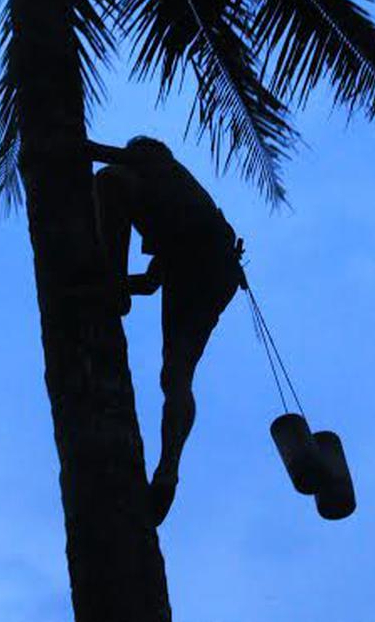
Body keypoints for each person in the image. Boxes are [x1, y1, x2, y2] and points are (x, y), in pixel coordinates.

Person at [87, 135, 245, 526]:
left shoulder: (154, 160)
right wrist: (121, 288)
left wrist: (63, 143)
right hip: (201, 268)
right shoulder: (173, 203)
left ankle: (169, 467)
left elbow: (107, 159)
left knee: (107, 179)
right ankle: (168, 470)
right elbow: (150, 284)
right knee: (174, 377)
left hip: (205, 262)